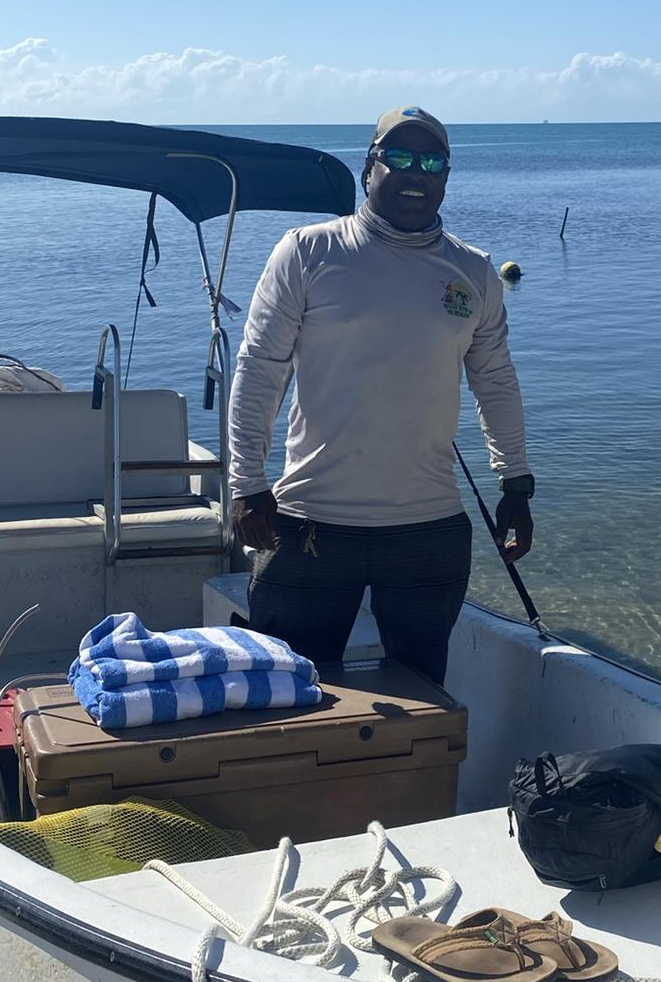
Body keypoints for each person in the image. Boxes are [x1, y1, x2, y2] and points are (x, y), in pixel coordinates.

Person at [227, 105, 534, 688]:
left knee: (422, 696)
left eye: (431, 161)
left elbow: (496, 381)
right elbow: (259, 370)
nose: (415, 173)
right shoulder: (307, 251)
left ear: (447, 176)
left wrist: (515, 484)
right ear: (369, 168)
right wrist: (246, 483)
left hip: (429, 530)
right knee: (290, 694)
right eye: (398, 157)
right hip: (311, 522)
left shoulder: (474, 271)